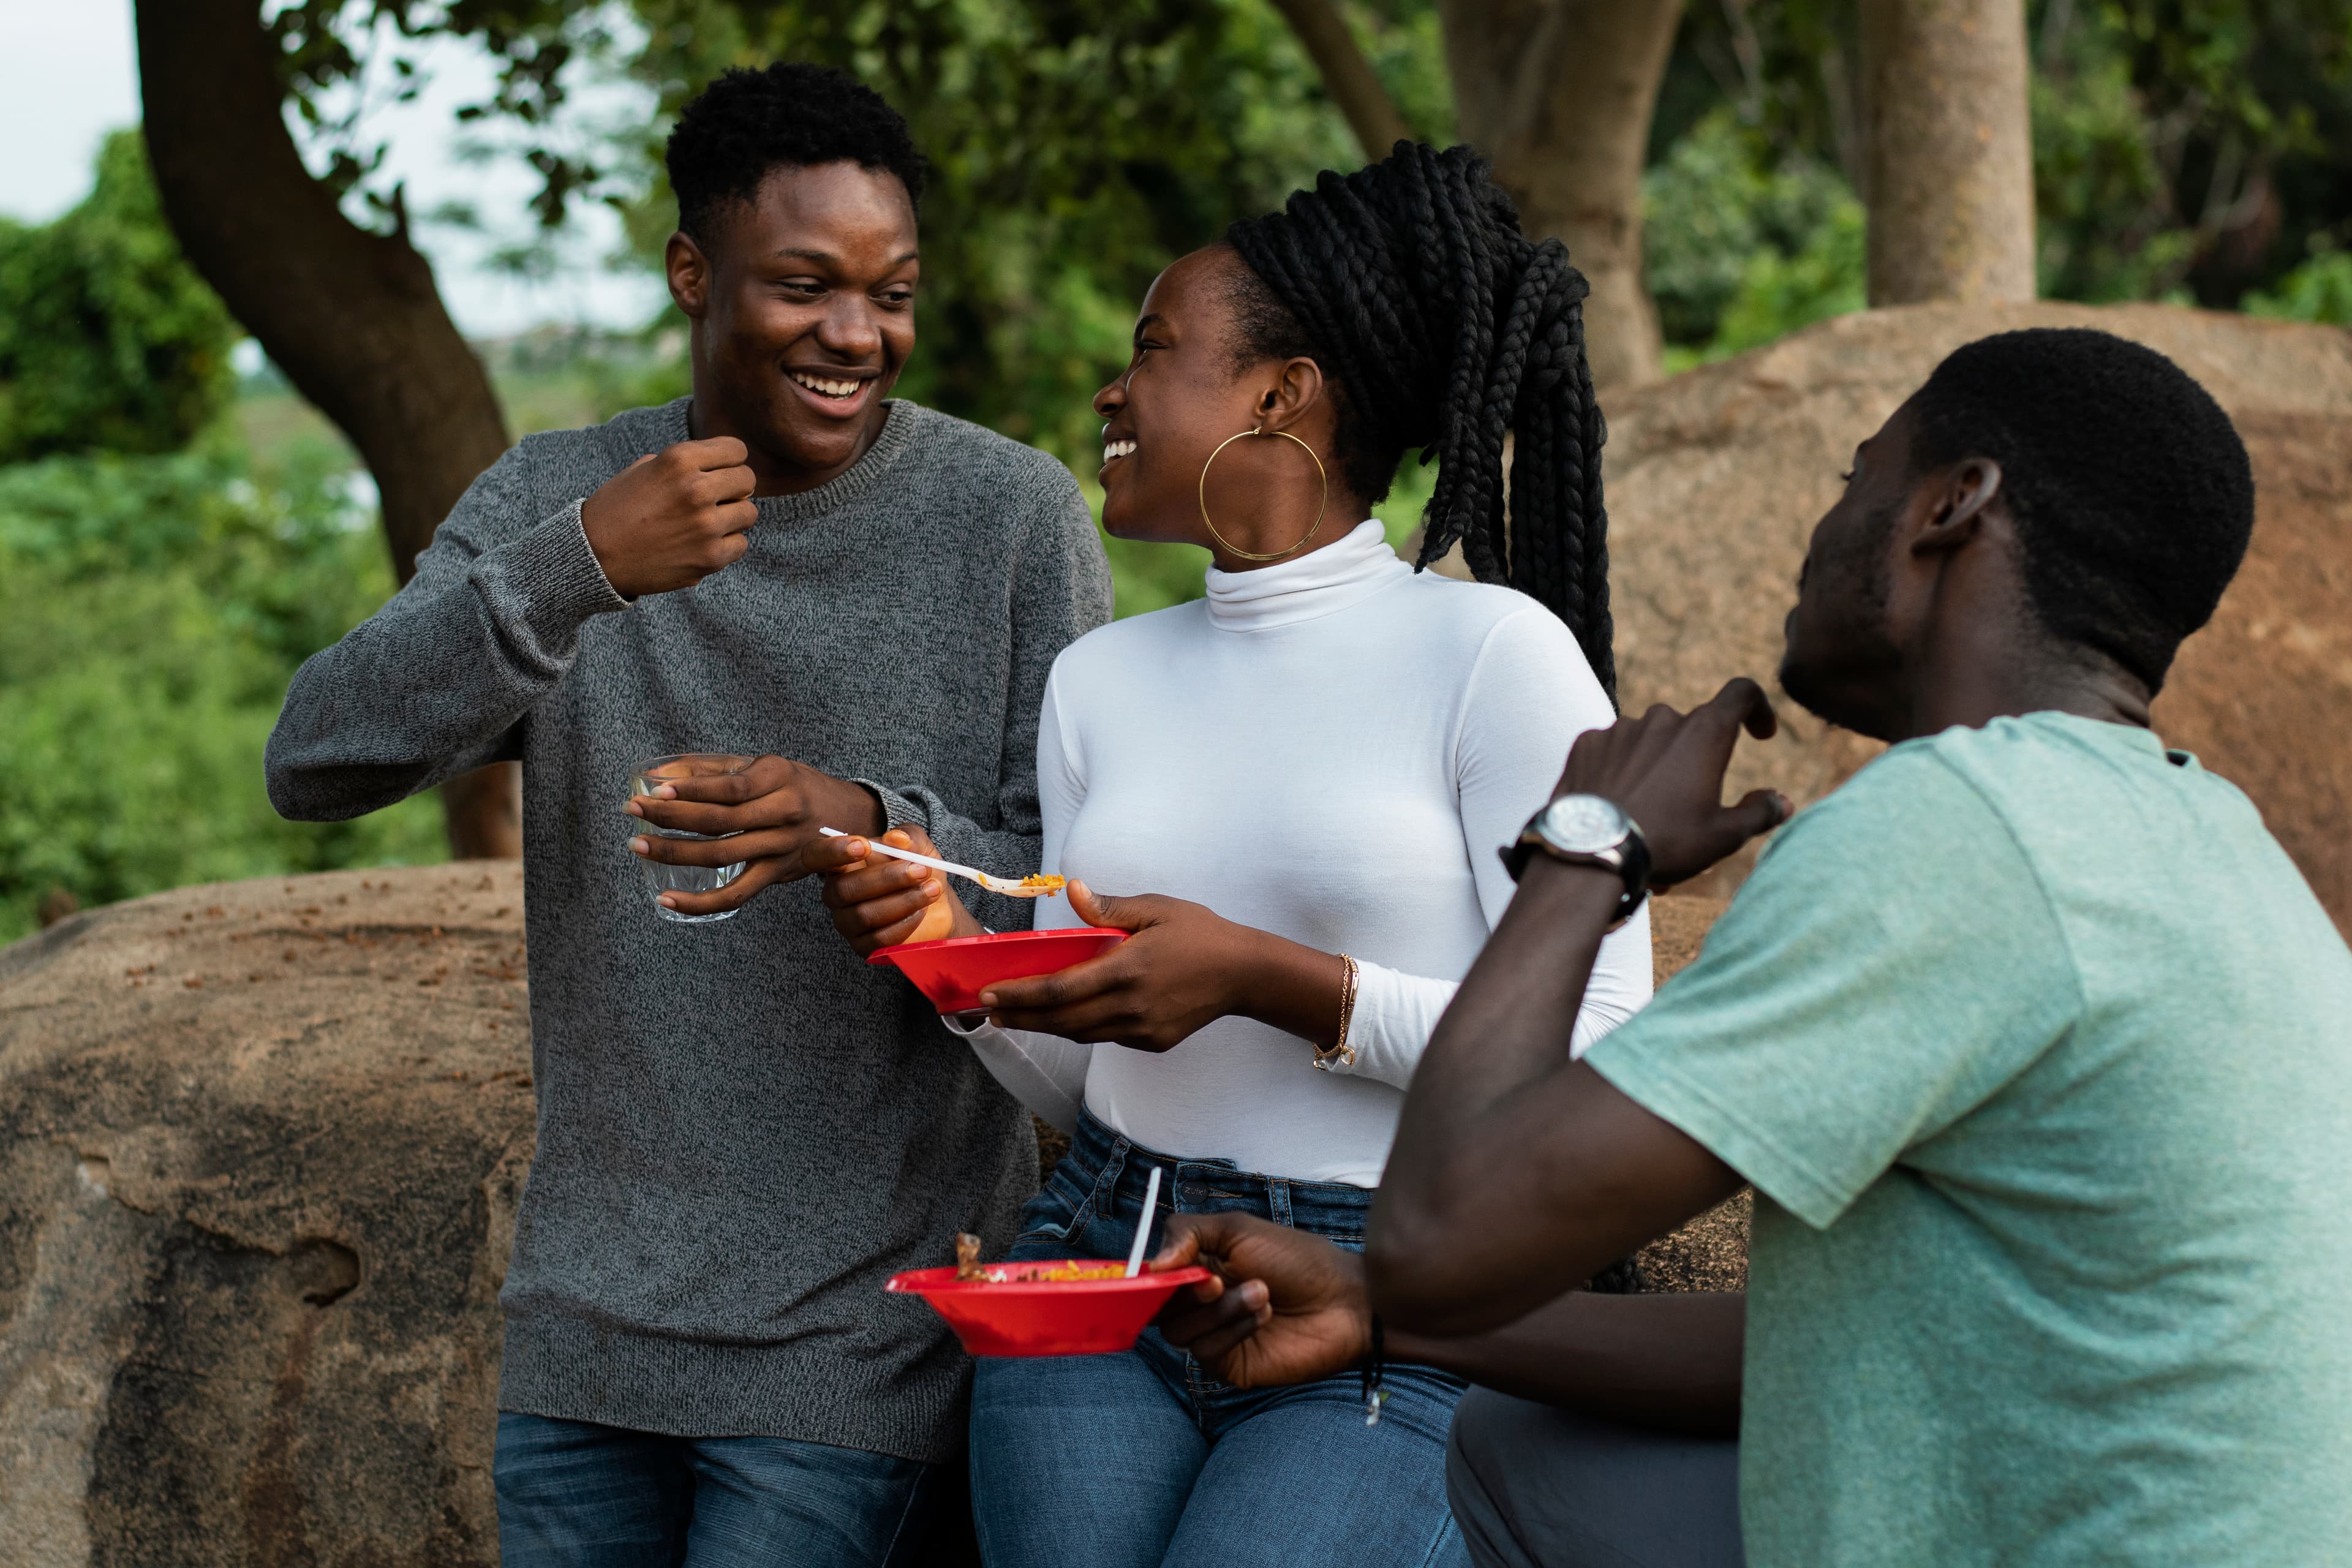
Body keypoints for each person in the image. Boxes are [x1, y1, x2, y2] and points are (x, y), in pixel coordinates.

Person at [1139, 328, 2352, 1567]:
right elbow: (1833, 1345)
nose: (1826, 526)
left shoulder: (1959, 828)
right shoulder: (2213, 843)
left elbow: (1445, 1242)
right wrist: (1378, 1308)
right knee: (1531, 1446)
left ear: (1949, 505)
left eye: (1853, 479)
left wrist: (1584, 848)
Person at [264, 64, 1110, 1567]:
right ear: (692, 274)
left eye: (892, 291)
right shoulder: (566, 498)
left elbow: (1079, 893)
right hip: (583, 1334)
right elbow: (316, 757)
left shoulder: (1010, 518)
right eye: (805, 285)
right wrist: (577, 565)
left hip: (859, 1341)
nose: (858, 333)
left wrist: (871, 826)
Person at [819, 143, 1653, 1567]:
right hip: (1102, 1248)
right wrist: (951, 964)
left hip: (1393, 1281)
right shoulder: (1103, 679)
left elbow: (1604, 1047)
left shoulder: (1495, 656)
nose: (1112, 389)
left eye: (1153, 349)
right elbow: (1103, 1067)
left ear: (1281, 394)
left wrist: (1275, 979)